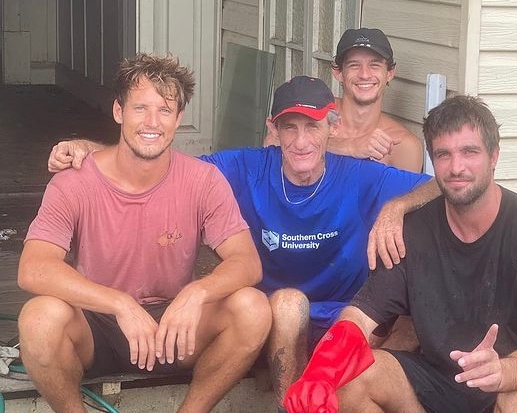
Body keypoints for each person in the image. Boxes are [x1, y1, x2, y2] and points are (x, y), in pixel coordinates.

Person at [46, 75, 438, 409]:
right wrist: (92, 150)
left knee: (407, 318)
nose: (301, 141)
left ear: (331, 129)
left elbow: (441, 186)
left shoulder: (364, 176)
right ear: (274, 129)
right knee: (287, 303)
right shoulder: (247, 167)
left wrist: (396, 207)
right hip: (276, 320)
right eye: (290, 127)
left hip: (345, 318)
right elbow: (165, 160)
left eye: (313, 126)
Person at [284, 95, 517, 413]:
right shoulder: (413, 230)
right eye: (443, 155)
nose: (456, 167)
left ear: (494, 156)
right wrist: (321, 373)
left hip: (510, 384)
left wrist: (501, 371)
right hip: (438, 383)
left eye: (470, 152)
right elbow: (360, 317)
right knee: (353, 377)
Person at [18, 53, 272, 413]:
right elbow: (34, 268)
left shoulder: (203, 180)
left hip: (174, 325)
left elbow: (247, 262)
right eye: (140, 108)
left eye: (165, 110)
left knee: (253, 308)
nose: (152, 122)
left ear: (179, 118)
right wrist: (119, 303)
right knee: (38, 319)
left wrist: (197, 293)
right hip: (97, 324)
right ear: (119, 111)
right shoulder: (74, 181)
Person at [266, 27, 424, 173]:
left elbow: (404, 202)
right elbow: (273, 143)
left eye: (374, 65)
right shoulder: (314, 111)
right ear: (338, 72)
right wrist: (350, 147)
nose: (364, 74)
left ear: (390, 73)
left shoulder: (402, 145)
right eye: (354, 65)